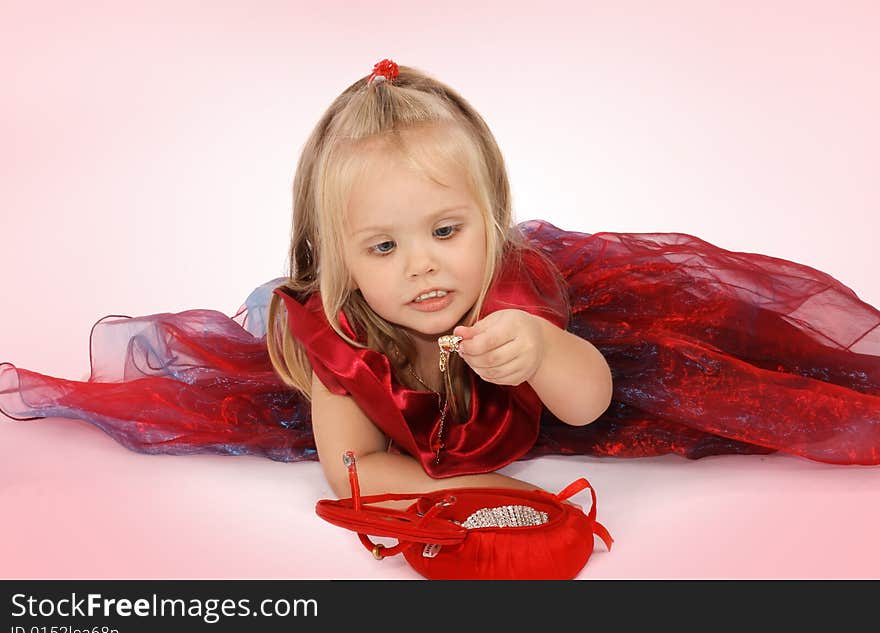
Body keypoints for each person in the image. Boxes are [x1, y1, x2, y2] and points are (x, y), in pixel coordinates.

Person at [2, 59, 879, 506]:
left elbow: (589, 405)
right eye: (381, 248)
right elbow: (349, 470)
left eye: (446, 231)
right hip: (410, 420)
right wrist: (455, 492)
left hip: (551, 342)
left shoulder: (513, 287)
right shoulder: (337, 337)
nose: (423, 265)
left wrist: (539, 347)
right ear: (336, 260)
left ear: (490, 221)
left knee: (736, 366)